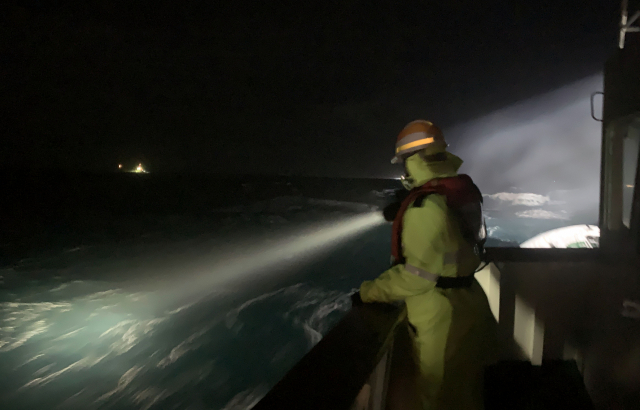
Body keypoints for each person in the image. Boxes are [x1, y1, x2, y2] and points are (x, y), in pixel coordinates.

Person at [353, 120, 497, 409]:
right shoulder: (454, 192)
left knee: (439, 400)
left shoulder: (426, 206)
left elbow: (417, 276)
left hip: (441, 318)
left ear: (413, 159)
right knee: (465, 396)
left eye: (404, 162)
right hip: (468, 305)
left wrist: (368, 293)